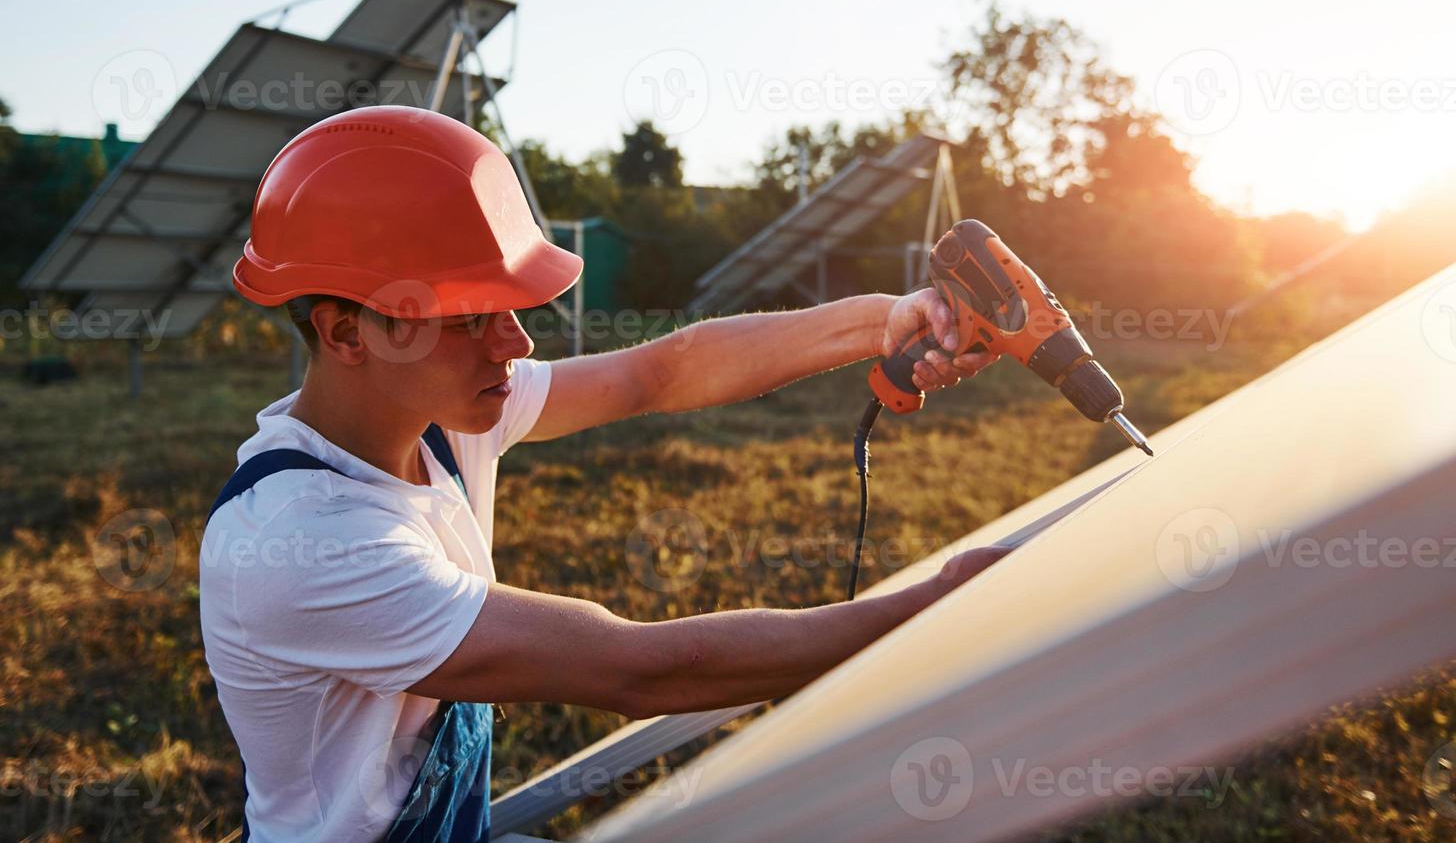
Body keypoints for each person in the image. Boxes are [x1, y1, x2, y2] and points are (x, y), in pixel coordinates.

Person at [199, 105, 1009, 842]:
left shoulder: (442, 415)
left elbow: (661, 372)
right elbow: (640, 668)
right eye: (472, 317)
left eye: (509, 308)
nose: (515, 344)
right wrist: (935, 606)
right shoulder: (299, 541)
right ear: (347, 333)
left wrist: (882, 321)